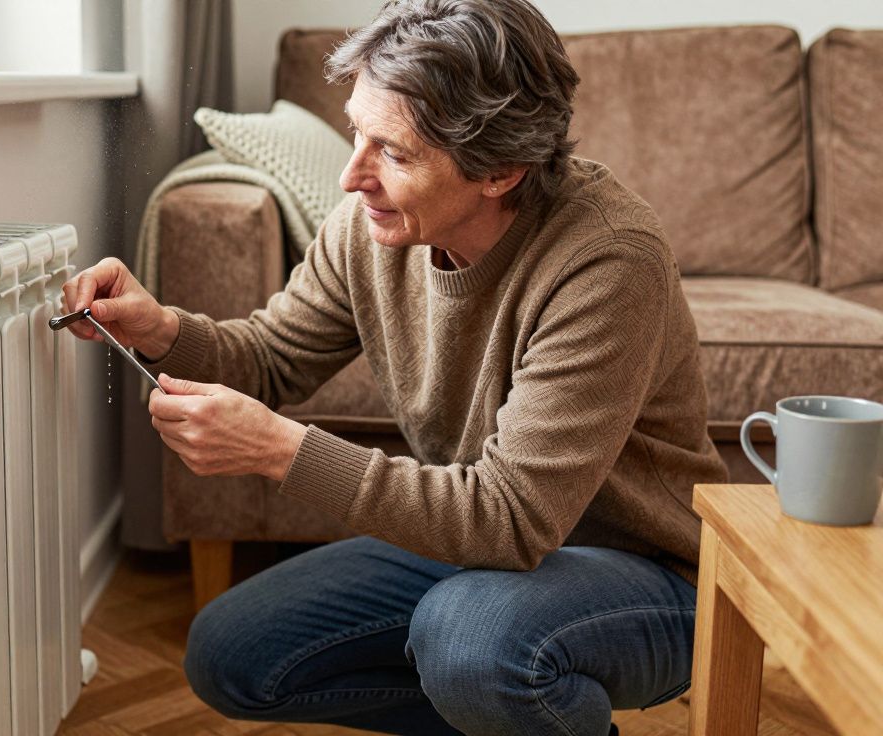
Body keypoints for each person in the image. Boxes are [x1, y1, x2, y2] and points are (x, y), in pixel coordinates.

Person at [60, 0, 727, 732]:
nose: (352, 177)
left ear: (500, 169)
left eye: (394, 153)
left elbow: (511, 519)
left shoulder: (605, 260)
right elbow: (272, 358)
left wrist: (281, 449)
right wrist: (159, 329)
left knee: (470, 641)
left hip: (646, 575)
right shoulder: (372, 228)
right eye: (357, 132)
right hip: (479, 556)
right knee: (233, 655)